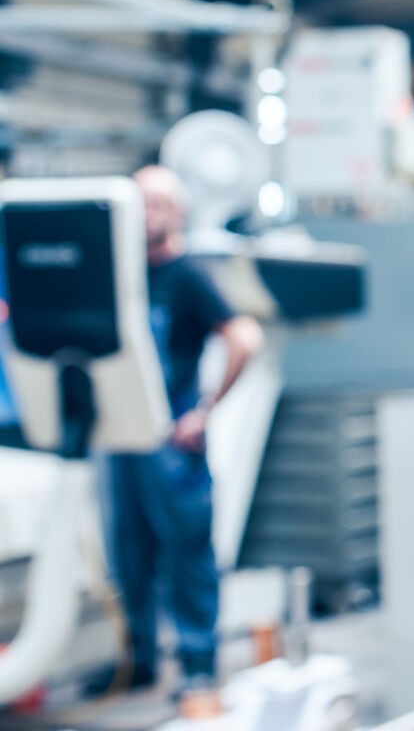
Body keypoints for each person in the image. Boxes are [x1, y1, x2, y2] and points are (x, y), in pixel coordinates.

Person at [103, 165, 263, 693]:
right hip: (122, 439)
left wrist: (205, 411)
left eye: (156, 204)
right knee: (128, 554)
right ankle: (140, 663)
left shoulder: (188, 277)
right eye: (138, 203)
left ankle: (198, 665)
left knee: (188, 553)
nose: (146, 215)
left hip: (172, 441)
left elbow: (244, 337)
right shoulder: (119, 275)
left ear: (178, 213)